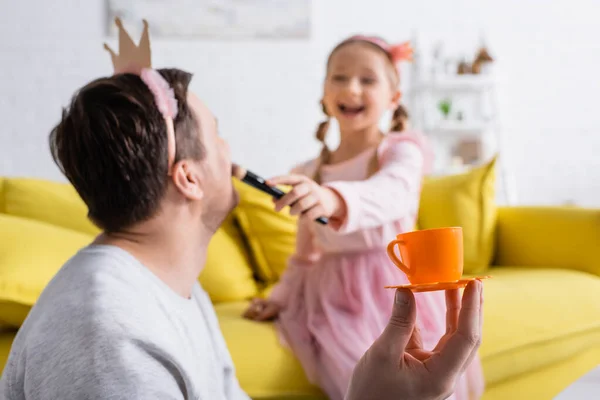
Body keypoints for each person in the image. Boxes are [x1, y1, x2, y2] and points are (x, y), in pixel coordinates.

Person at [0, 22, 484, 399]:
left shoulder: (182, 296)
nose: (231, 152)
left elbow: (394, 192)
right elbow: (306, 256)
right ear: (188, 176)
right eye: (217, 135)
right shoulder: (107, 342)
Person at [243, 35, 484, 400]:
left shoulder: (402, 151)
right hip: (333, 298)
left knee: (430, 372)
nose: (351, 88)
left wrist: (332, 199)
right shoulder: (310, 171)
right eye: (339, 77)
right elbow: (305, 255)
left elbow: (392, 193)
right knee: (361, 376)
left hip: (395, 288)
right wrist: (280, 297)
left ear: (394, 97)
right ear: (324, 92)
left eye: (367, 80)